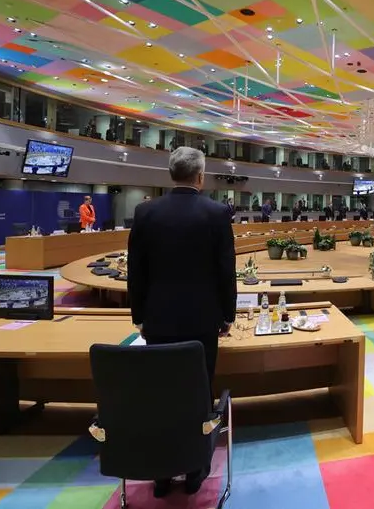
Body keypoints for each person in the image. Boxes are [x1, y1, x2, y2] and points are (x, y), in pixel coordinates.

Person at [127, 146, 235, 497]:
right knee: (199, 394)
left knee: (162, 393)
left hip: (158, 321)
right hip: (203, 322)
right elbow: (225, 271)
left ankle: (161, 473)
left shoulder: (145, 213)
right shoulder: (218, 213)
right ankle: (194, 470)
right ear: (201, 176)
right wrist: (228, 315)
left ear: (171, 174)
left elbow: (136, 272)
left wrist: (140, 316)